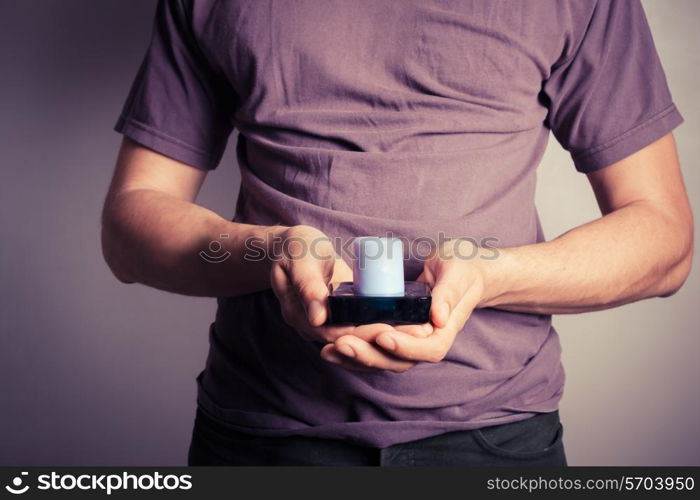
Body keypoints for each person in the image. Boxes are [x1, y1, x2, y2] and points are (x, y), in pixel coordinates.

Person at [101, 0, 693, 466]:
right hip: (264, 433)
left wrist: (489, 276)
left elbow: (664, 241)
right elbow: (133, 223)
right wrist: (272, 252)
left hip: (495, 437)